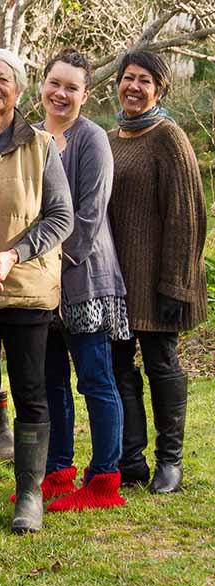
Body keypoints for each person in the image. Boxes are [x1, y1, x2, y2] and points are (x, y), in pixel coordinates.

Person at [0, 48, 73, 534]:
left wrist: (10, 255)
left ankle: (29, 495)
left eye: (2, 78)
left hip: (25, 287)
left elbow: (60, 216)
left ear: (19, 90)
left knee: (31, 391)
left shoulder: (42, 145)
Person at [108, 51, 207, 494]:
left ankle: (170, 460)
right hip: (116, 280)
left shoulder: (170, 137)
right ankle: (131, 460)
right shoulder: (111, 139)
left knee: (161, 363)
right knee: (118, 366)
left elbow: (187, 217)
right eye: (128, 78)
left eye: (144, 80)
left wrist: (176, 284)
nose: (133, 86)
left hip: (159, 280)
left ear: (160, 89)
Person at [37, 49, 127, 512]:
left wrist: (51, 263)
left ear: (85, 95)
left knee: (95, 378)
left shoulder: (92, 139)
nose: (61, 93)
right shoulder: (29, 138)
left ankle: (104, 480)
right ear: (42, 85)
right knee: (50, 379)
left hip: (84, 277)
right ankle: (57, 470)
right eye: (56, 83)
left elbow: (89, 218)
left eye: (72, 87)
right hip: (38, 284)